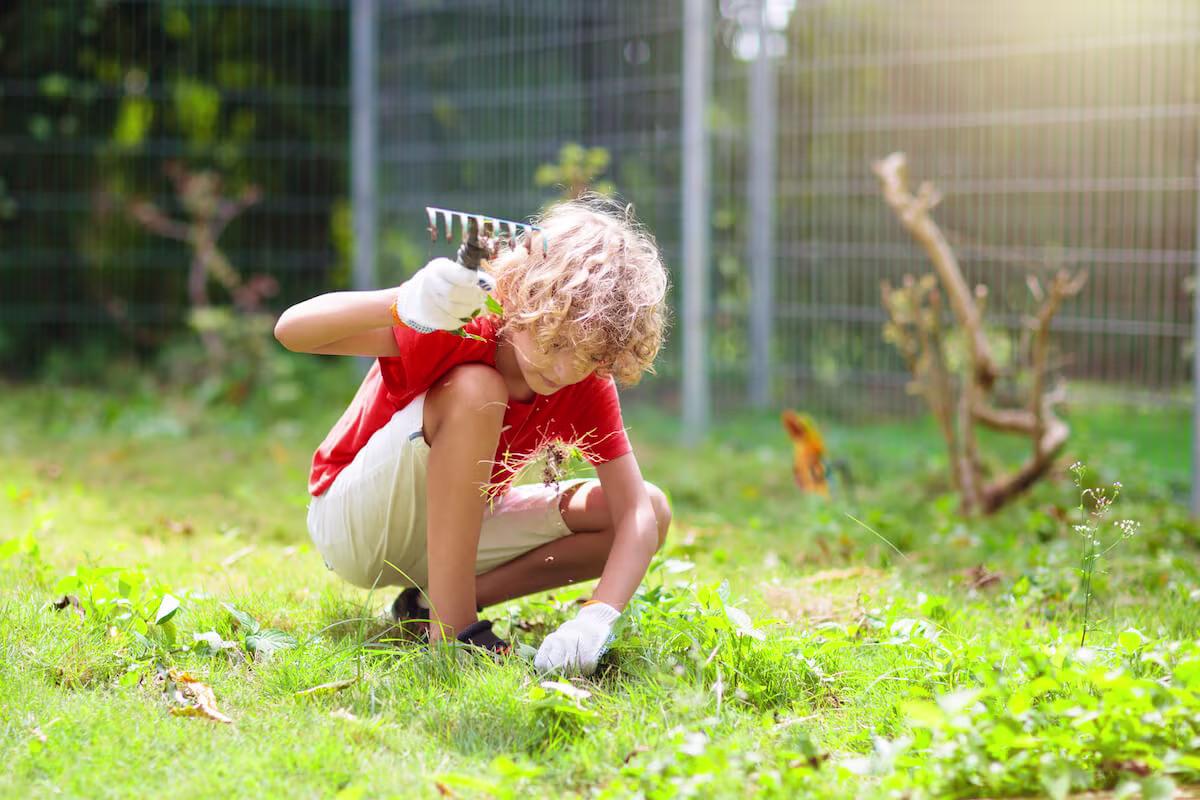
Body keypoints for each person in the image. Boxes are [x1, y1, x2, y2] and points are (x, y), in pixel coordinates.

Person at [273, 195, 672, 675]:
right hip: (358, 527)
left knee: (654, 507)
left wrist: (598, 614)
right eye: (556, 341)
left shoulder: (584, 385)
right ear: (522, 297)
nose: (565, 369)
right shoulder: (463, 323)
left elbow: (635, 514)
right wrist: (405, 304)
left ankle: (427, 607)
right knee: (480, 388)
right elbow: (292, 330)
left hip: (453, 538)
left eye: (587, 356)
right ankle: (456, 633)